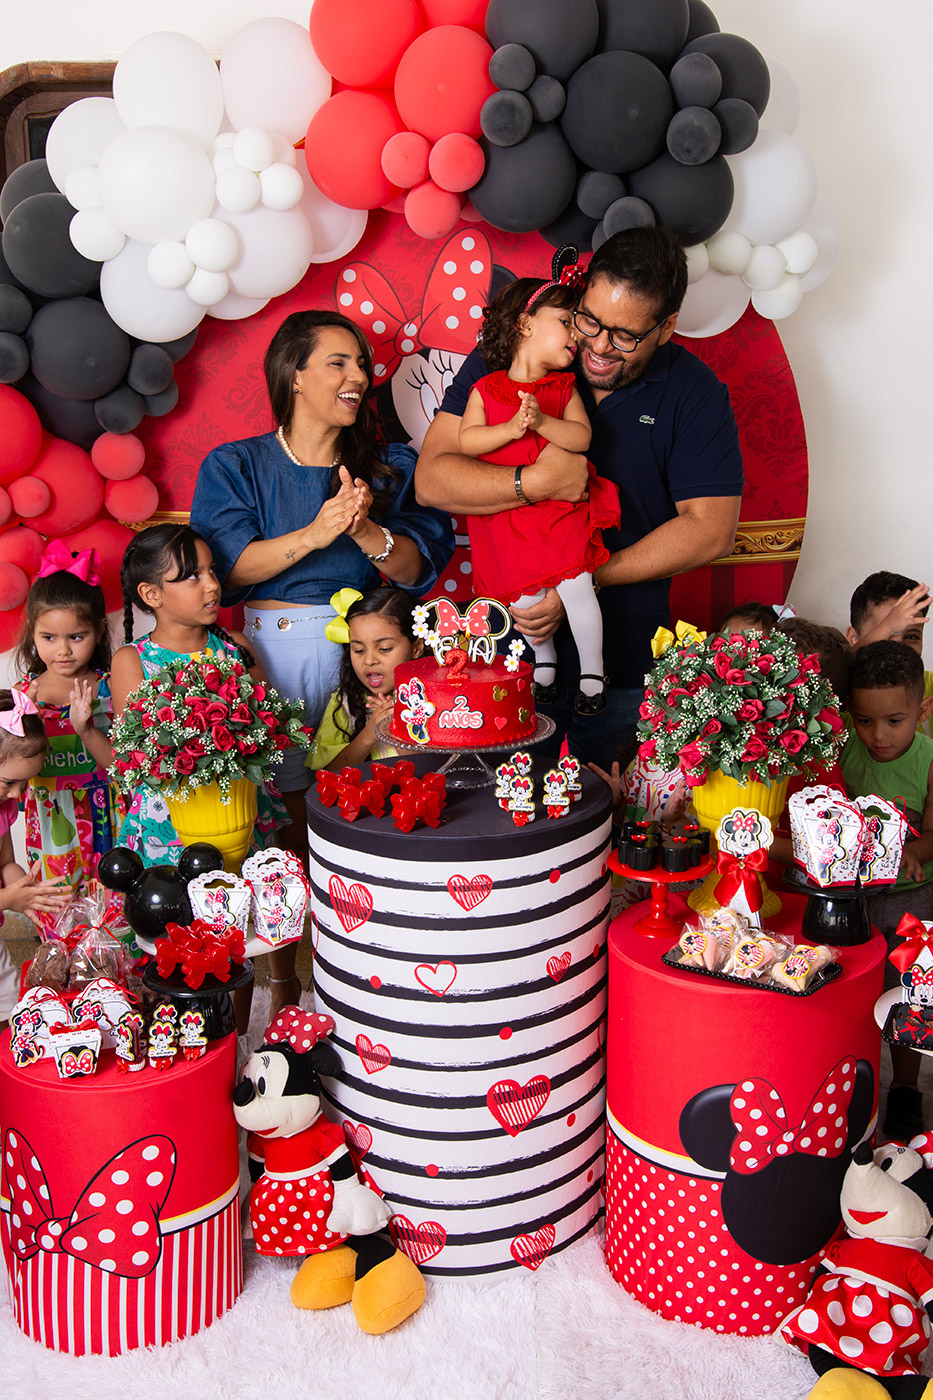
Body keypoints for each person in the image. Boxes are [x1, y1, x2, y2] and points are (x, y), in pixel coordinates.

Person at [416, 225, 743, 769]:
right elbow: (432, 480)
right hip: (509, 655)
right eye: (588, 320)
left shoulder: (695, 393)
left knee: (612, 809)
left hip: (625, 665)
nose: (597, 345)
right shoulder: (510, 356)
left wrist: (578, 580)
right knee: (505, 808)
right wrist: (533, 483)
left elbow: (710, 530)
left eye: (625, 336)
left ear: (666, 327)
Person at [190, 309, 453, 857]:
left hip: (362, 656)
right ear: (295, 375)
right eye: (338, 363)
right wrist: (314, 534)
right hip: (268, 658)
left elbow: (419, 570)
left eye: (361, 364)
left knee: (366, 791)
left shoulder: (389, 466)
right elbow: (225, 572)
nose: (358, 376)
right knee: (280, 808)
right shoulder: (238, 463)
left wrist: (363, 530)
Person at [457, 267, 620, 714]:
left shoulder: (563, 388)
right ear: (526, 324)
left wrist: (543, 422)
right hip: (508, 520)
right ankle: (543, 662)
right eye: (566, 321)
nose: (577, 335)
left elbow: (581, 438)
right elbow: (467, 441)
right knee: (526, 600)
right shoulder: (485, 390)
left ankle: (592, 673)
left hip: (558, 514)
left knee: (577, 586)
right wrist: (510, 429)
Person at [841, 640, 933, 1142]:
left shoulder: (928, 760)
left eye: (895, 721)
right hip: (851, 897)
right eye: (865, 721)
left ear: (923, 710)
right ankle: (848, 1081)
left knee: (908, 997)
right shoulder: (843, 751)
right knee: (850, 993)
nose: (878, 735)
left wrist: (916, 851)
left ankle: (905, 1090)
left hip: (909, 904)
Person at [13, 549, 119, 926]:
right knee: (58, 912)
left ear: (99, 631)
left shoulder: (111, 687)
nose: (63, 650)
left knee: (113, 906)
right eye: (48, 637)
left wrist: (85, 729)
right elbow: (13, 770)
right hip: (50, 821)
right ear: (33, 633)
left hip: (107, 814)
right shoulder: (22, 697)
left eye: (76, 636)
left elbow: (121, 765)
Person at [0, 690, 71, 1027]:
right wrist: (8, 900)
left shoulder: (3, 808)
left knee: (9, 1008)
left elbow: (5, 864)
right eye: (8, 782)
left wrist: (29, 891)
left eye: (24, 783)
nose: (17, 794)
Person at [306, 585, 422, 772]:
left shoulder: (434, 700)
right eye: (359, 650)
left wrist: (395, 729)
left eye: (384, 649)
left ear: (416, 648)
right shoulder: (345, 702)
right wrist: (369, 734)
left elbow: (434, 771)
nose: (369, 660)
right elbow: (327, 775)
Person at [847, 570, 933, 735]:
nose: (898, 648)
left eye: (912, 636)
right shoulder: (842, 691)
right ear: (853, 638)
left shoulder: (930, 685)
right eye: (887, 633)